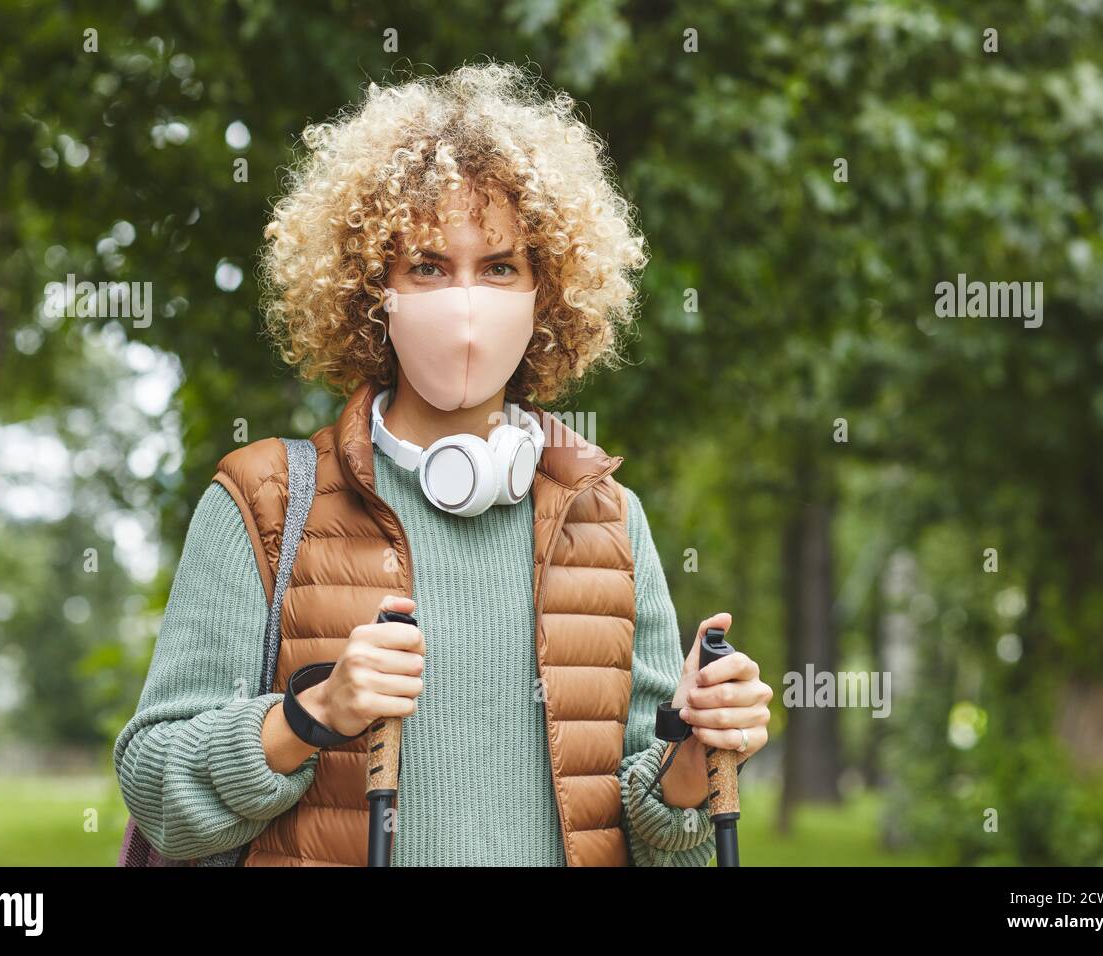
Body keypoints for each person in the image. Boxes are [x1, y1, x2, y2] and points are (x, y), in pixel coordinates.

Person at [114, 61, 773, 867]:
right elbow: (156, 788)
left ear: (547, 296)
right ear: (372, 290)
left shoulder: (607, 518)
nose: (465, 303)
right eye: (426, 265)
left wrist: (694, 746)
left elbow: (655, 837)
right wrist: (310, 714)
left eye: (500, 267)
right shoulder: (263, 501)